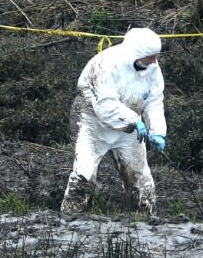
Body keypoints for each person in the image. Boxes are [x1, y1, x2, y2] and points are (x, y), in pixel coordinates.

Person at [61, 27, 167, 216]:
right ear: (136, 53)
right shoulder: (106, 64)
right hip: (92, 122)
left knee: (140, 178)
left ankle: (144, 222)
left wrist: (157, 130)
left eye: (156, 56)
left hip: (130, 127)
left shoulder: (152, 68)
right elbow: (105, 104)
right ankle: (70, 219)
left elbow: (154, 100)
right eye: (150, 56)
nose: (154, 61)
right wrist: (134, 120)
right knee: (84, 174)